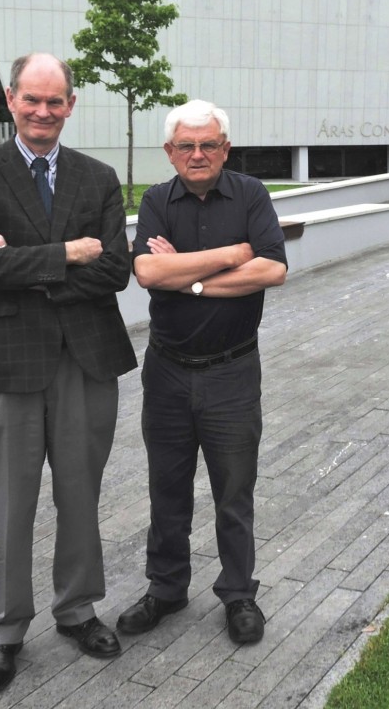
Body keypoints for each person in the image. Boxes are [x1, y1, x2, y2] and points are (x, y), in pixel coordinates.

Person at [0, 53, 137, 695]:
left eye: (56, 101)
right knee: (9, 502)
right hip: (6, 361)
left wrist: (27, 264)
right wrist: (66, 254)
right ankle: (4, 630)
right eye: (33, 99)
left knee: (80, 493)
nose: (43, 112)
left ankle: (78, 610)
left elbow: (116, 270)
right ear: (11, 99)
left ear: (71, 105)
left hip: (86, 359)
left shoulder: (98, 177)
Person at [117, 99, 287, 645]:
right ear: (169, 152)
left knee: (234, 492)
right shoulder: (155, 200)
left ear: (225, 148)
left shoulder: (251, 194)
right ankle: (166, 589)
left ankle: (239, 593)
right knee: (166, 490)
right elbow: (145, 270)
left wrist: (186, 276)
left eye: (208, 144)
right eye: (186, 145)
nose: (198, 154)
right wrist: (233, 254)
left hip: (232, 371)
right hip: (167, 371)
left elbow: (273, 269)